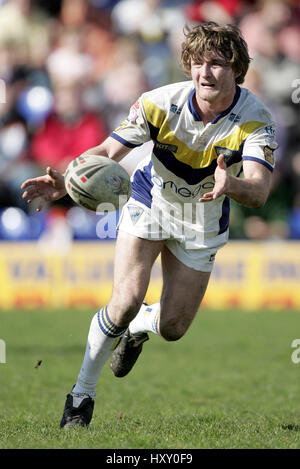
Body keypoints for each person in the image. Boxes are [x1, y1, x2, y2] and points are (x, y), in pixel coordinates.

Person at [21, 21, 277, 428]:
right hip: (150, 204)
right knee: (123, 301)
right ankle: (80, 398)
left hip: (203, 220)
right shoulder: (159, 102)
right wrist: (68, 180)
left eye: (216, 63)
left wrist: (234, 185)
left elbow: (260, 191)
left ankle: (140, 328)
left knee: (174, 327)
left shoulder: (255, 119)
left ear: (237, 69)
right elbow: (107, 149)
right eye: (197, 63)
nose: (204, 72)